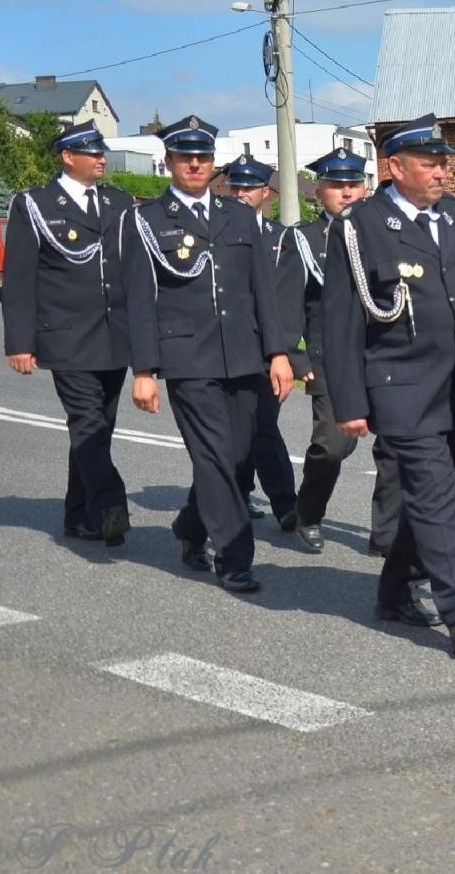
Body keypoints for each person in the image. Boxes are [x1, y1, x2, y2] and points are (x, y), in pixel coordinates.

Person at [322, 114, 455, 654]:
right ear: (395, 167)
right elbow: (341, 323)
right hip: (400, 386)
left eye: (444, 162)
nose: (442, 171)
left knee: (426, 498)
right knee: (437, 497)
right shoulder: (359, 226)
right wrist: (348, 402)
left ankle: (394, 590)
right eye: (430, 162)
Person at [123, 116, 294, 594]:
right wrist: (143, 370)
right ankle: (235, 556)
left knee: (239, 460)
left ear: (213, 162)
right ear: (169, 162)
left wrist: (277, 353)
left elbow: (263, 289)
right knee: (216, 455)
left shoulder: (238, 216)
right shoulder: (147, 220)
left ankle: (190, 528)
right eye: (184, 156)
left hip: (244, 356)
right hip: (188, 360)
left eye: (202, 156)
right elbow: (139, 299)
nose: (194, 163)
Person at [1, 120, 132, 546]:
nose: (101, 158)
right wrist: (21, 342)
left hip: (114, 337)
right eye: (91, 152)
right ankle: (111, 502)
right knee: (87, 421)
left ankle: (78, 515)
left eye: (102, 151)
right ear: (66, 156)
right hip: (67, 338)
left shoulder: (118, 203)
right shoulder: (36, 204)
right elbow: (19, 279)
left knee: (98, 428)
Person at [276, 148, 405, 571]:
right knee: (333, 446)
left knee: (394, 449)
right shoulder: (305, 239)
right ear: (320, 191)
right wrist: (293, 357)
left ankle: (385, 535)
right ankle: (308, 513)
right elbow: (289, 304)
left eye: (354, 183)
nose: (347, 192)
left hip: (384, 356)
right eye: (336, 185)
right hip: (329, 359)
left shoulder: (384, 231)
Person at [174, 155, 301, 542]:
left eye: (250, 188)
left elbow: (289, 301)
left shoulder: (281, 239)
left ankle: (284, 504)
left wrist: (285, 352)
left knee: (255, 432)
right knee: (228, 445)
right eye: (236, 187)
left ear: (266, 193)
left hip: (270, 352)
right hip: (225, 350)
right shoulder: (216, 226)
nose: (242, 193)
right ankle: (229, 514)